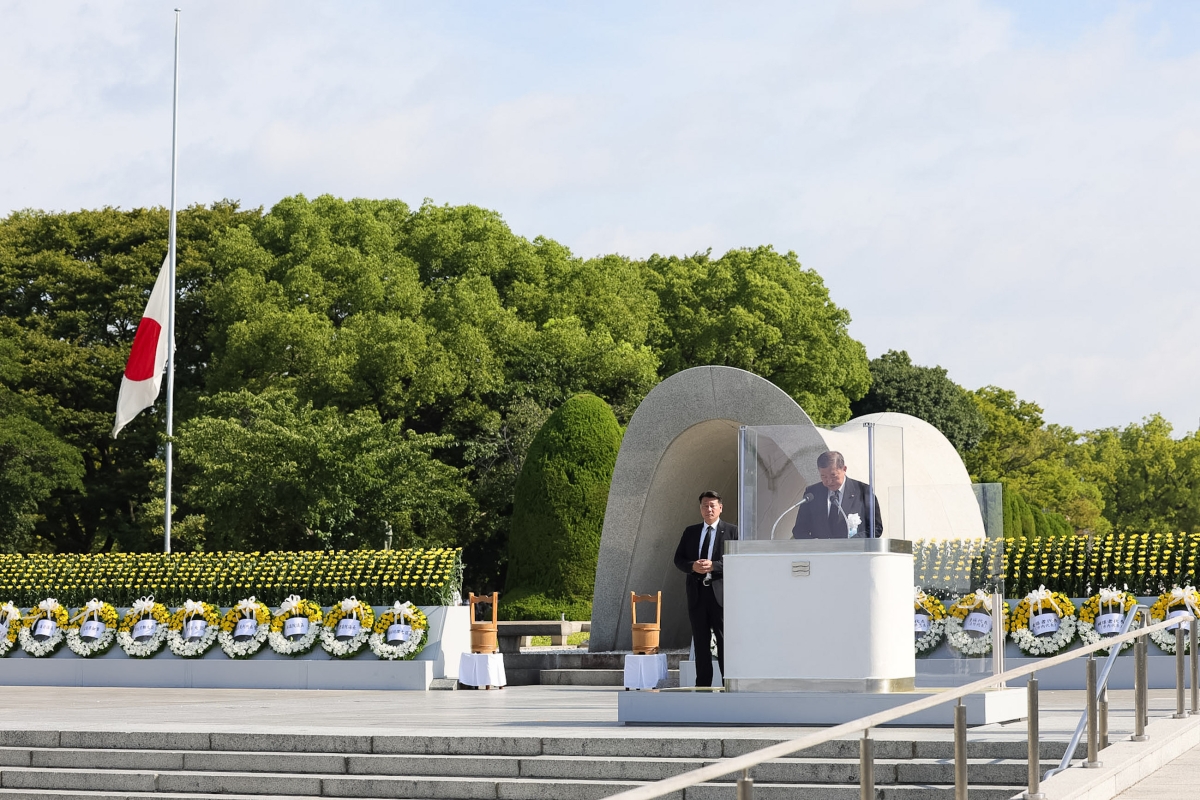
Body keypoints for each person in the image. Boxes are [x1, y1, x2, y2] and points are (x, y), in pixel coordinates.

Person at [673, 490, 737, 688]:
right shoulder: (690, 532)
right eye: (704, 506)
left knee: (724, 641)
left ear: (720, 508)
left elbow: (737, 561)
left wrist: (714, 566)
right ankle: (703, 686)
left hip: (720, 595)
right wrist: (693, 566)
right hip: (697, 594)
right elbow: (678, 559)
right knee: (701, 643)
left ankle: (729, 684)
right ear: (700, 508)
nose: (708, 509)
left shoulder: (732, 531)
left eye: (712, 505)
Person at [791, 451, 884, 539]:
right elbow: (799, 529)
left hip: (853, 552)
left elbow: (876, 528)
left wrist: (853, 541)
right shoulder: (812, 493)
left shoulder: (863, 491)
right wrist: (813, 543)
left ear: (844, 469)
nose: (829, 481)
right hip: (821, 553)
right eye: (823, 476)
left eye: (833, 476)